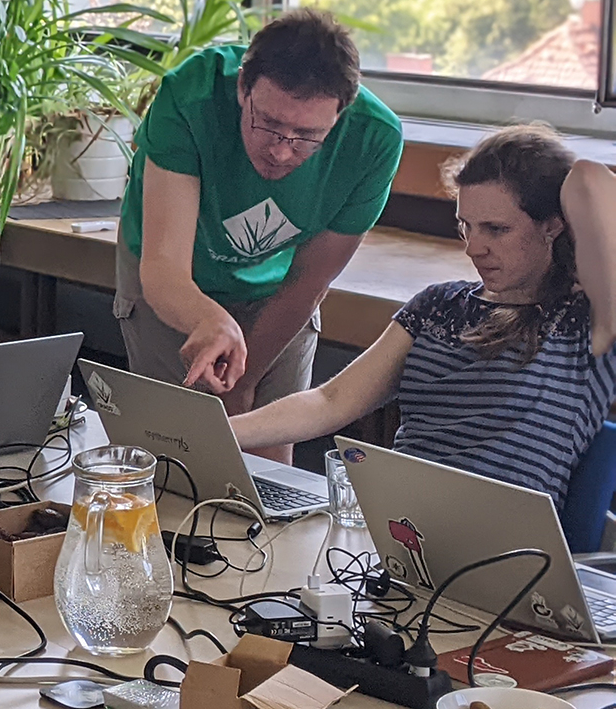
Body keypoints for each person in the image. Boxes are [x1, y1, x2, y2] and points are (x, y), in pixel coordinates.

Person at [231, 124, 616, 510]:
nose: (474, 248)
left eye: (496, 230)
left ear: (553, 224)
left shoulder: (587, 320)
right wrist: (219, 431)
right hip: (400, 527)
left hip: (506, 549)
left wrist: (565, 184)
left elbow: (593, 180)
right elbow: (331, 401)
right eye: (467, 225)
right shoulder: (439, 304)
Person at [116, 8, 404, 462]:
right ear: (241, 88)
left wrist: (246, 383)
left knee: (268, 461)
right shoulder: (190, 95)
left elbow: (308, 284)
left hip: (279, 289)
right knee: (173, 448)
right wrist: (210, 321)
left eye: (307, 135)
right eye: (267, 123)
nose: (281, 150)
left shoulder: (375, 140)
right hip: (174, 273)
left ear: (341, 115)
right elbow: (163, 269)